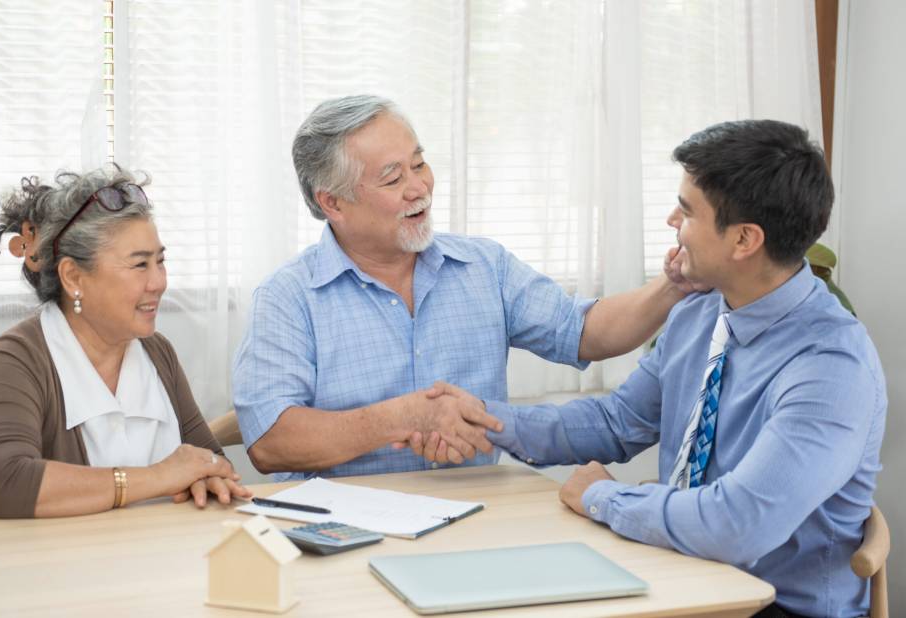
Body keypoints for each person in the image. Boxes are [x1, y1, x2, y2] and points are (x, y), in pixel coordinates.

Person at [411, 120, 886, 617]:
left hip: (775, 606)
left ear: (744, 240)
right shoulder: (701, 313)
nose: (670, 222)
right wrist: (486, 419)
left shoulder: (831, 367)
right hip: (681, 577)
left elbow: (738, 524)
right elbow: (617, 422)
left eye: (686, 211)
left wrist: (603, 497)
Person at [232, 94, 691, 480]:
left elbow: (584, 331)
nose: (419, 187)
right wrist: (403, 418)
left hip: (474, 512)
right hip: (343, 528)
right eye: (393, 178)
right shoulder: (289, 296)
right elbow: (271, 441)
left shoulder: (482, 266)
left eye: (420, 163)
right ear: (332, 202)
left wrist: (672, 287)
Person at [0, 167, 253, 518]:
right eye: (139, 264)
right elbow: (2, 482)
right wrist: (159, 477)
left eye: (161, 261)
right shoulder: (13, 361)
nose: (158, 282)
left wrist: (209, 479)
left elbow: (210, 462)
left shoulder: (158, 353)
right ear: (73, 276)